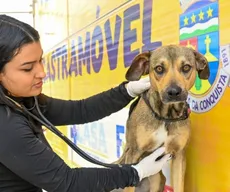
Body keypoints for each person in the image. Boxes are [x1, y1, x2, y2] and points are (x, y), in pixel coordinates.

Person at [0, 15, 170, 192]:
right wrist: (136, 172)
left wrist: (126, 91)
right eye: (28, 68)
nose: (42, 73)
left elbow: (80, 110)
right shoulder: (4, 124)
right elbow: (67, 182)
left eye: (40, 60)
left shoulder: (24, 100)